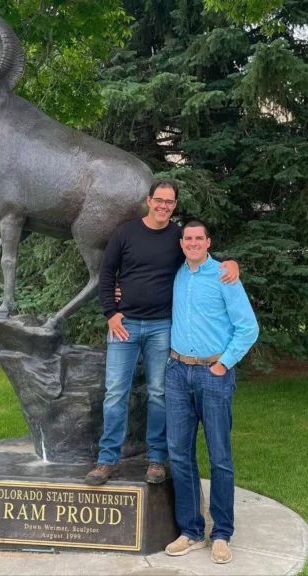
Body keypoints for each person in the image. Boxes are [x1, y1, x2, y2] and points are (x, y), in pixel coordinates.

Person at [85, 181, 239, 486]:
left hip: (162, 327)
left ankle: (156, 458)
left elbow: (203, 257)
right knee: (116, 392)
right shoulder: (126, 233)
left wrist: (232, 263)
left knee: (159, 393)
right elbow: (106, 274)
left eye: (169, 202)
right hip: (124, 325)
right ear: (149, 201)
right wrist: (111, 312)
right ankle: (107, 459)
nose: (163, 206)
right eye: (159, 200)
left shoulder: (177, 238)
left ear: (175, 205)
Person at [162, 220, 259, 565]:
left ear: (208, 242)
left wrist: (223, 364)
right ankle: (191, 530)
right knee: (179, 453)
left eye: (198, 238)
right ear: (182, 243)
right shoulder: (177, 274)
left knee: (219, 456)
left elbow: (248, 328)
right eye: (187, 238)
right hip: (176, 372)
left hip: (213, 373)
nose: (192, 243)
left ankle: (221, 533)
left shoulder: (224, 275)